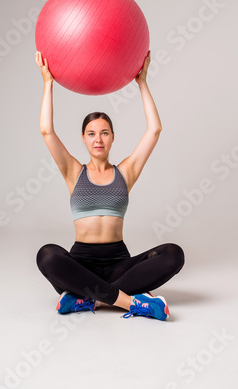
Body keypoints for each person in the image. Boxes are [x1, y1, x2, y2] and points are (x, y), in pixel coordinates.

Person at [35, 50, 184, 320]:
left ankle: (88, 299)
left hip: (119, 265)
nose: (98, 139)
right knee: (47, 255)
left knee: (174, 254)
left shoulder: (126, 172)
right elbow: (47, 130)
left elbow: (154, 130)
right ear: (83, 139)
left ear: (113, 137)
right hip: (79, 264)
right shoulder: (73, 171)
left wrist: (142, 82)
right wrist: (48, 83)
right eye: (91, 134)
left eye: (104, 133)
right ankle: (132, 302)